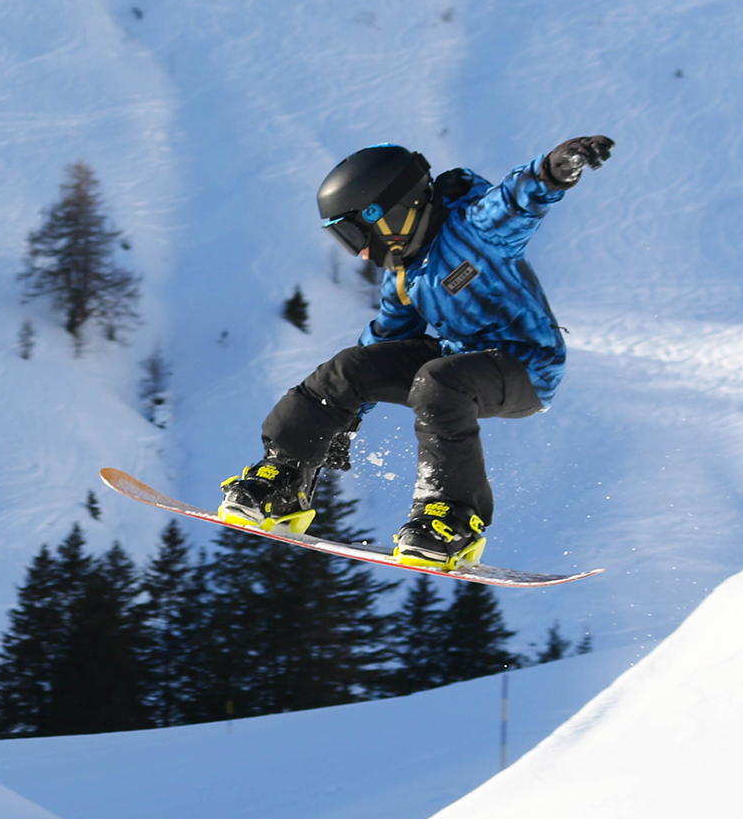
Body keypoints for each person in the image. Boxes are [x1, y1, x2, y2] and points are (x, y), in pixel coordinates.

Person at [218, 136, 615, 571]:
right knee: (348, 367)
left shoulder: (475, 229)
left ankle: (450, 518)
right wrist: (341, 417)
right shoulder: (404, 275)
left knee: (439, 382)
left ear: (387, 213)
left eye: (354, 234)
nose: (360, 252)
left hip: (525, 366)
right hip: (455, 358)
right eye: (344, 240)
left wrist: (551, 171)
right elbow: (383, 347)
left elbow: (515, 202)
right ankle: (283, 479)